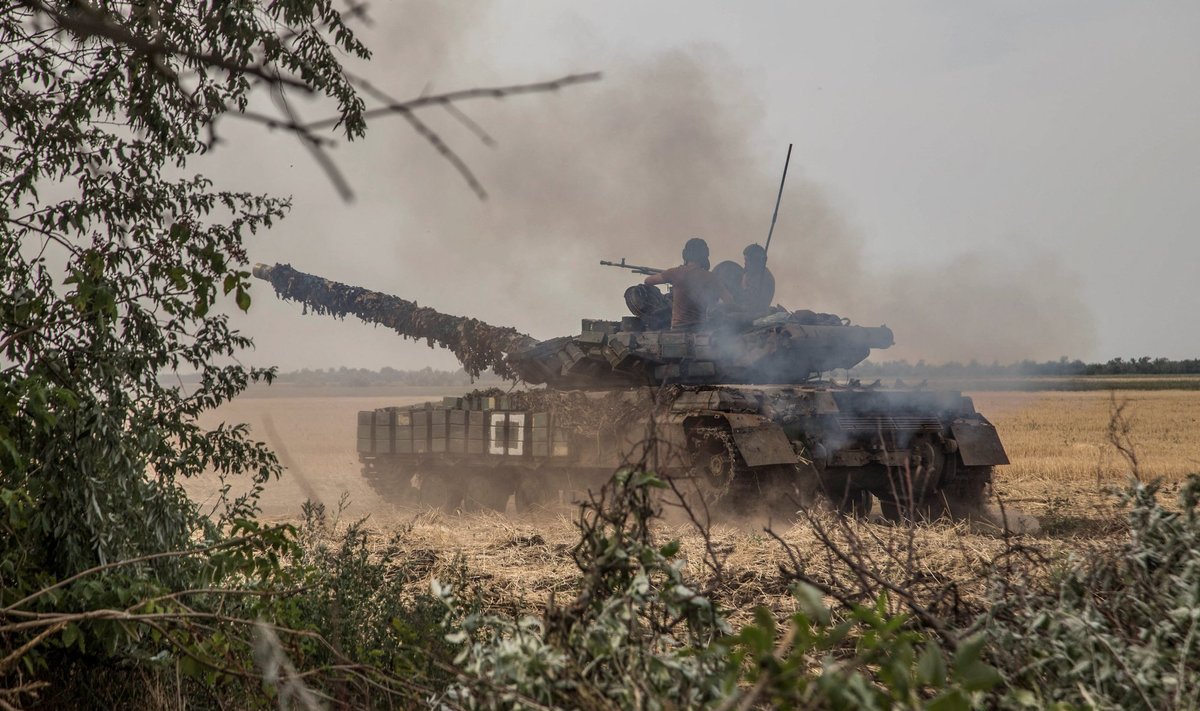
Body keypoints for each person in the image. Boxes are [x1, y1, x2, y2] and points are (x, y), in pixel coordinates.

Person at [643, 237, 732, 329]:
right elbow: (729, 300)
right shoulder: (710, 277)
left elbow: (648, 281)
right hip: (700, 329)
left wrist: (669, 275)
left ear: (685, 254)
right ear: (705, 255)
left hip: (678, 328)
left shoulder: (676, 272)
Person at [739, 243, 776, 314]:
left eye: (747, 260)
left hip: (757, 314)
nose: (745, 263)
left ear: (756, 262)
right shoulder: (750, 274)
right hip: (745, 311)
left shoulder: (765, 278)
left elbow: (753, 303)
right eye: (745, 260)